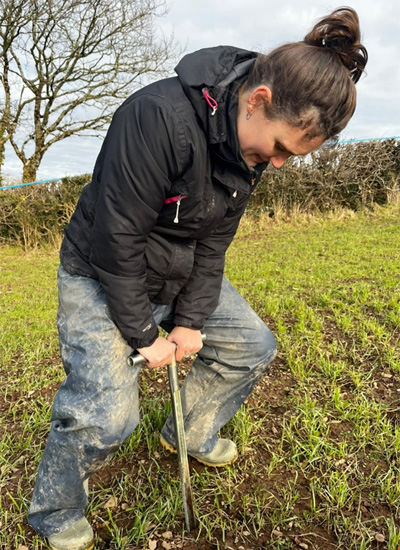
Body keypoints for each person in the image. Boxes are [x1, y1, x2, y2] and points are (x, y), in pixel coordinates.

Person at [28, 7, 367, 550]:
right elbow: (116, 243)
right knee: (105, 415)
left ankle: (186, 432)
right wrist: (145, 336)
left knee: (250, 346)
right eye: (280, 147)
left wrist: (188, 321)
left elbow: (213, 242)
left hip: (178, 269)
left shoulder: (248, 148)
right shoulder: (156, 117)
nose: (277, 165)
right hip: (100, 270)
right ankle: (54, 510)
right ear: (257, 100)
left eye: (292, 156)